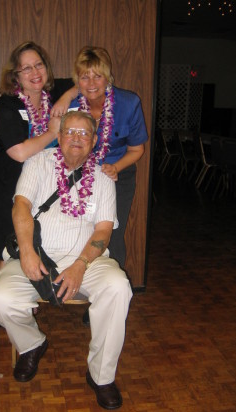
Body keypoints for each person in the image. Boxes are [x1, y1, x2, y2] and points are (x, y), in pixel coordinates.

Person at [0, 111, 133, 410]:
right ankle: (32, 344)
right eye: (70, 131)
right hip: (36, 254)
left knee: (119, 287)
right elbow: (21, 206)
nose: (76, 138)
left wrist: (80, 265)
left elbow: (104, 229)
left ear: (93, 141)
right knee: (0, 300)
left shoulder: (103, 176)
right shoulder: (37, 162)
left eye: (84, 134)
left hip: (86, 261)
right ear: (59, 134)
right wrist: (26, 250)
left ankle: (101, 376)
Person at [68, 46, 148, 325]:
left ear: (108, 77)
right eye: (84, 77)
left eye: (98, 76)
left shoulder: (129, 103)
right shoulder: (70, 104)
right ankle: (84, 288)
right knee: (83, 232)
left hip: (118, 175)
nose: (91, 84)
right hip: (80, 176)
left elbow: (137, 149)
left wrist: (116, 167)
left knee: (112, 234)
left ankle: (112, 300)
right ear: (77, 79)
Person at [0, 41, 74, 261]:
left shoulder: (55, 92)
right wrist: (53, 133)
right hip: (10, 179)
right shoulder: (8, 104)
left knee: (47, 236)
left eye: (39, 65)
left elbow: (84, 82)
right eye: (26, 68)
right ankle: (12, 286)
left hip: (47, 179)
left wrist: (67, 97)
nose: (35, 72)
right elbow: (19, 152)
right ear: (15, 75)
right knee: (15, 242)